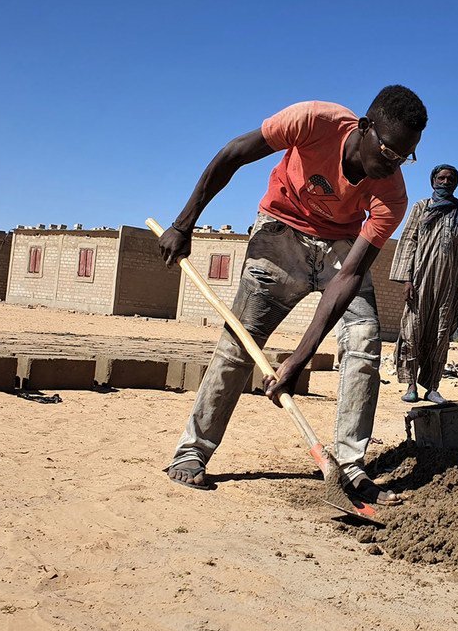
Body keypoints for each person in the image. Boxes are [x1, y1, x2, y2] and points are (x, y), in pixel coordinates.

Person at [158, 86, 428, 505]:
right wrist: (184, 223)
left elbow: (350, 274)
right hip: (280, 233)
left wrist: (298, 359)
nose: (393, 164)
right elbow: (234, 154)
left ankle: (351, 467)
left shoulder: (392, 195)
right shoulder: (314, 120)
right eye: (388, 151)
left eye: (404, 157)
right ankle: (192, 452)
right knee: (237, 345)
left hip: (340, 247)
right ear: (365, 127)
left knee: (364, 342)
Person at [390, 164, 458, 404]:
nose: (446, 182)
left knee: (441, 335)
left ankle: (432, 387)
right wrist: (406, 278)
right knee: (412, 330)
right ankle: (410, 386)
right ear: (433, 181)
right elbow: (408, 241)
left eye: (451, 179)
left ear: (456, 183)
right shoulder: (421, 207)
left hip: (448, 285)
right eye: (441, 178)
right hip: (420, 280)